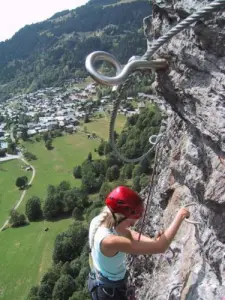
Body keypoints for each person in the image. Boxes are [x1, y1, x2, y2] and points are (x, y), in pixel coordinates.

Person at [88, 186, 190, 300]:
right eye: (130, 223)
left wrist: (151, 242)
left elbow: (130, 234)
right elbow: (161, 247)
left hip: (102, 283)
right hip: (109, 293)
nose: (131, 226)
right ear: (121, 217)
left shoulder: (100, 220)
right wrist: (181, 215)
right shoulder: (109, 241)